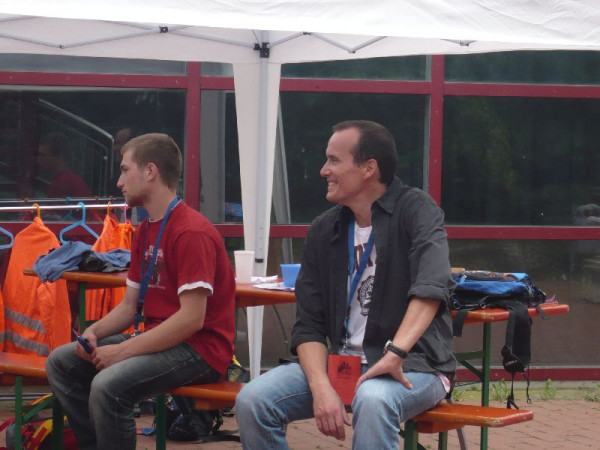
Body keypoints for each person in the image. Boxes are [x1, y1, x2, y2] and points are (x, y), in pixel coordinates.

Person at [235, 120, 456, 449]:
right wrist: (321, 386)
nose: (324, 170)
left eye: (334, 160)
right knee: (253, 400)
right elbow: (309, 326)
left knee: (373, 398)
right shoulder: (324, 229)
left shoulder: (417, 209)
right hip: (341, 363)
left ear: (368, 168)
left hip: (415, 365)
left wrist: (395, 352)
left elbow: (432, 287)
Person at [46, 133, 236, 450]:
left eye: (124, 170)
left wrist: (121, 352)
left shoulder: (191, 231)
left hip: (200, 351)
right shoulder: (145, 229)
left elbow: (191, 320)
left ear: (150, 171)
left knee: (108, 386)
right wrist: (94, 332)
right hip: (162, 339)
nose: (119, 182)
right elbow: (129, 305)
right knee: (60, 362)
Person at [37, 132, 93, 199]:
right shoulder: (63, 179)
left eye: (43, 155)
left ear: (59, 156)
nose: (38, 159)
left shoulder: (64, 182)